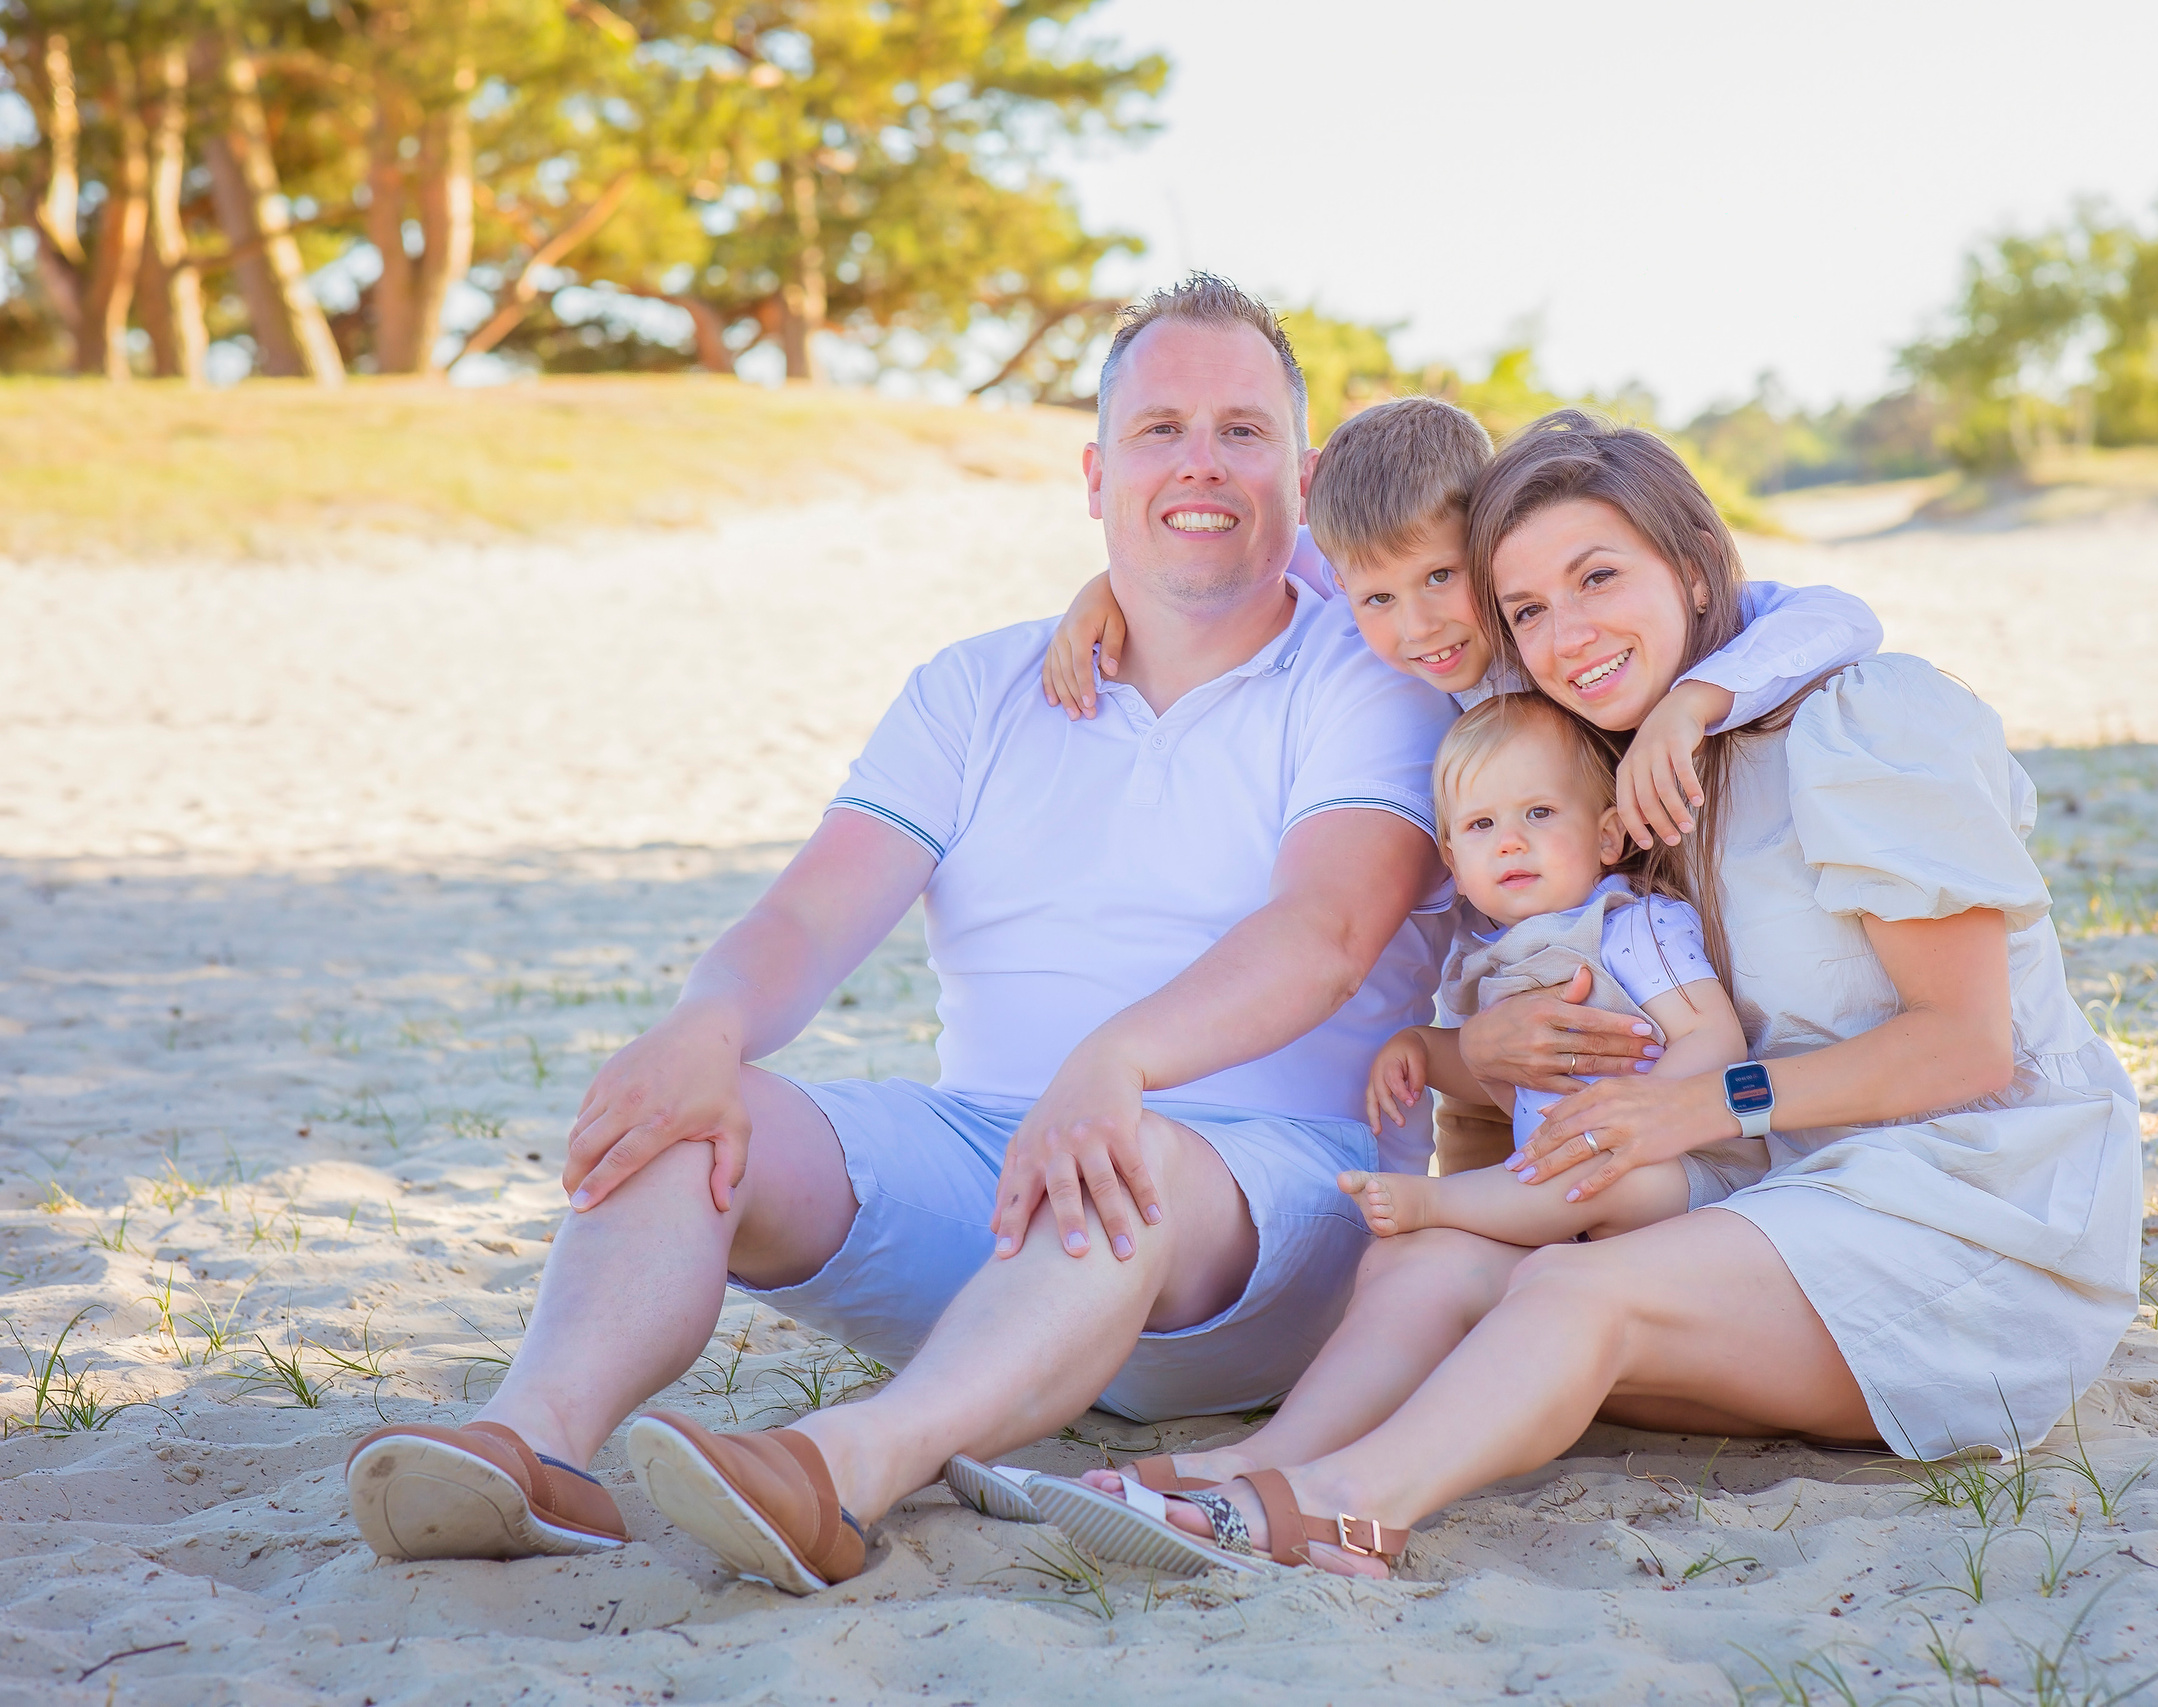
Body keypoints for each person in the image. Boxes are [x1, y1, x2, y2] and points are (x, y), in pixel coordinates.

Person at [339, 273, 1465, 1592]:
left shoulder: (1372, 670)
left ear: (1306, 473)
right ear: (1096, 469)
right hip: (997, 1178)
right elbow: (814, 910)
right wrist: (705, 1026)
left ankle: (845, 1467)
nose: (1199, 463)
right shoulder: (977, 684)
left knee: (1121, 1152)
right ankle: (533, 1448)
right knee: (705, 1104)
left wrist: (1115, 1062)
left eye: (1242, 430)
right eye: (1161, 429)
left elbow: (1326, 926)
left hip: (1267, 1209)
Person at [1019, 410, 2142, 1579]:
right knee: (1426, 1263)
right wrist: (1111, 591)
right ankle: (1259, 1464)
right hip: (1763, 1194)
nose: (1566, 632)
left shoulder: (1863, 720)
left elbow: (1965, 1050)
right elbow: (1345, 560)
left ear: (1697, 566)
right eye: (1528, 609)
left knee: (1568, 1286)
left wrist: (1692, 1108)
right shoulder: (1592, 765)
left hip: (1969, 1216)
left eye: (1597, 576)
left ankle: (1346, 1506)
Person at [1044, 394, 1886, 1175]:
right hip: (1494, 1003)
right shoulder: (1368, 587)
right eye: (1377, 598)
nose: (1419, 627)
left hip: (1643, 974)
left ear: (1488, 546)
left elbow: (1837, 616)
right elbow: (1257, 565)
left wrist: (1688, 708)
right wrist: (1108, 590)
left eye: (1444, 579)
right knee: (1480, 1207)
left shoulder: (1565, 632)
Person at [1338, 691, 1759, 1247]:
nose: (1510, 842)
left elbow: (1713, 1036)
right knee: (1573, 1181)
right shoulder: (1490, 961)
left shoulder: (1629, 926)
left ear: (1607, 836)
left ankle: (1437, 1200)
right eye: (1481, 824)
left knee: (1598, 1179)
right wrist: (1424, 1049)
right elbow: (1509, 1077)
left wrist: (1634, 1111)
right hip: (1574, 1191)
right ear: (1454, 866)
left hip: (1687, 1168)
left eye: (1539, 813)